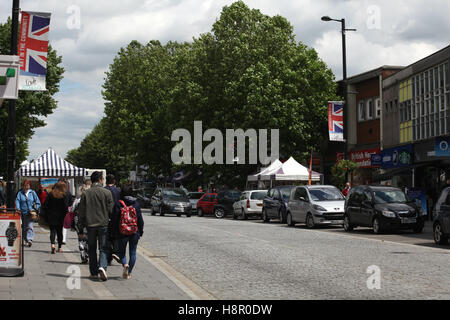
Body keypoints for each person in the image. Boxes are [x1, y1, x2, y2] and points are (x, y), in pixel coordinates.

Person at [78, 171, 114, 281]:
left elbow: (81, 213)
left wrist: (80, 228)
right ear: (100, 180)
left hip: (90, 225)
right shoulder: (107, 193)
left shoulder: (85, 193)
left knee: (92, 249)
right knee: (103, 248)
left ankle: (93, 272)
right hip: (103, 224)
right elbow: (111, 210)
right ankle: (102, 267)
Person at [114, 184, 144, 280]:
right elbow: (140, 220)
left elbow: (115, 219)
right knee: (133, 253)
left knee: (122, 252)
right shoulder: (136, 204)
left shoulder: (119, 204)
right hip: (134, 232)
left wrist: (114, 231)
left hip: (122, 232)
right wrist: (140, 231)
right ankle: (129, 272)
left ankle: (125, 264)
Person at [41, 181, 68, 253]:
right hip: (60, 217)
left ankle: (52, 245)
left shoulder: (50, 194)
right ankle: (59, 247)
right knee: (59, 232)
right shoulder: (63, 195)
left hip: (51, 216)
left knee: (52, 231)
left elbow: (45, 205)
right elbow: (65, 207)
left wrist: (45, 214)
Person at [15, 180, 41, 247]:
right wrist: (18, 208)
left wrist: (35, 209)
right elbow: (17, 201)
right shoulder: (20, 193)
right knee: (24, 227)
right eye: (25, 185)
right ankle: (25, 239)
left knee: (30, 226)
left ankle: (30, 239)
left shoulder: (32, 193)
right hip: (23, 212)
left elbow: (38, 202)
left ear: (30, 186)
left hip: (31, 213)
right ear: (23, 186)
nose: (26, 187)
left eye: (28, 185)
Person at [71, 181, 91, 263]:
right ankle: (88, 252)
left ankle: (83, 255)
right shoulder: (90, 200)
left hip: (78, 221)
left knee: (80, 237)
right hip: (89, 220)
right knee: (88, 237)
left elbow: (72, 209)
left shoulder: (77, 199)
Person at [104, 174, 121, 265]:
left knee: (107, 238)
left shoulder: (104, 190)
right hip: (116, 215)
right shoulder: (117, 191)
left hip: (105, 216)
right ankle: (116, 252)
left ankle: (108, 257)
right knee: (115, 236)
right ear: (114, 181)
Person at [58, 178, 75, 245]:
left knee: (60, 225)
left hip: (59, 211)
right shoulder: (68, 192)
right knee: (64, 225)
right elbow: (71, 202)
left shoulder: (57, 192)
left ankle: (61, 237)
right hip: (66, 211)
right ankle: (63, 239)